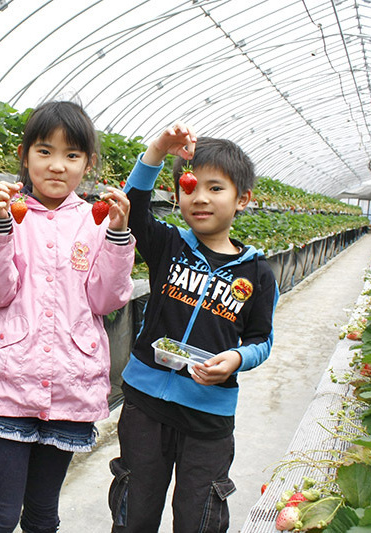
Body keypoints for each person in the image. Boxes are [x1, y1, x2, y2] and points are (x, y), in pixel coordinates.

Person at [0, 100, 136, 533]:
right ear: (25, 155)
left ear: (88, 163)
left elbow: (106, 300)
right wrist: (0, 227)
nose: (57, 166)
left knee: (42, 516)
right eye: (45, 151)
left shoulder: (95, 221)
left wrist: (116, 236)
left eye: (72, 155)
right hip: (8, 379)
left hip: (69, 386)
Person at [108, 123, 279, 532]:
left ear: (242, 199)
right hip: (146, 401)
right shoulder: (169, 245)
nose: (199, 198)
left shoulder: (258, 273)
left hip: (209, 412)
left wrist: (236, 358)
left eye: (215, 188)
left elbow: (262, 339)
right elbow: (133, 206)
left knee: (198, 514)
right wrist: (156, 151)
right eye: (189, 187)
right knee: (136, 506)